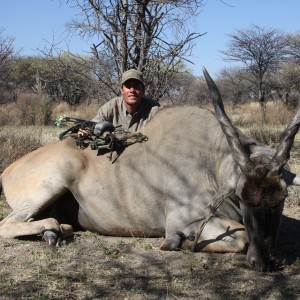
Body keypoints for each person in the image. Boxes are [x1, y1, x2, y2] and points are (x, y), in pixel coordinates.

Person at [81, 69, 160, 136]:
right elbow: (93, 124)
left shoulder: (154, 109)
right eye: (128, 86)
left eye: (136, 86)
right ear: (122, 90)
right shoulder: (111, 107)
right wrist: (86, 130)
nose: (132, 90)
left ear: (142, 90)